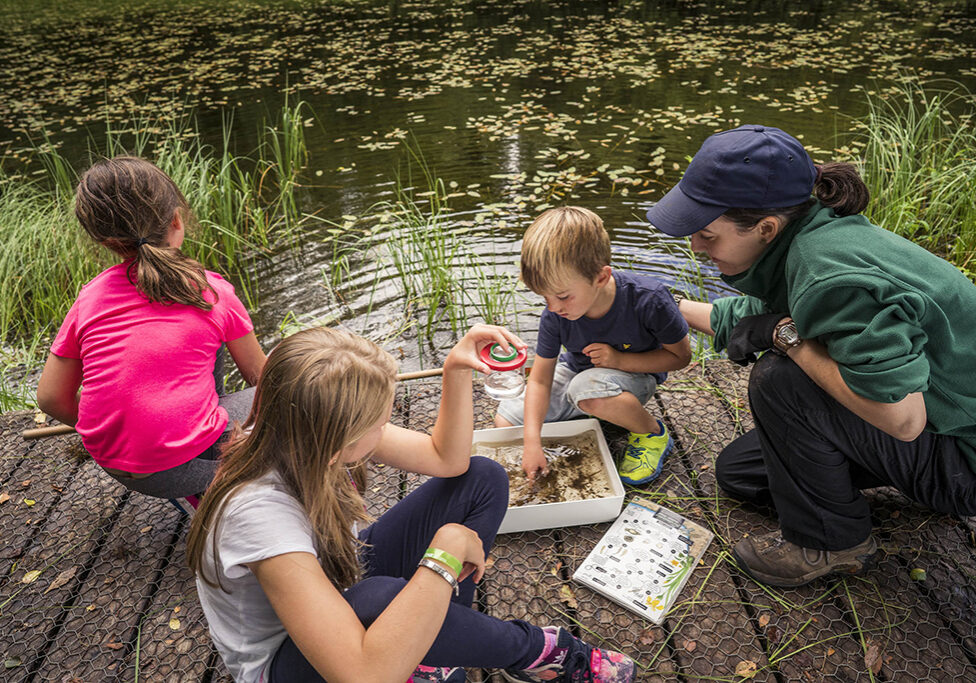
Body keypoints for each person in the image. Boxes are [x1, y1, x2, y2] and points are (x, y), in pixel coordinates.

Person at [185, 325, 636, 683]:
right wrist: (444, 552)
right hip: (296, 662)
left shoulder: (295, 429)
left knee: (483, 479)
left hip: (343, 584)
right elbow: (361, 674)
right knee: (380, 597)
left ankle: (431, 645)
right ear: (334, 445)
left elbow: (447, 459)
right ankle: (541, 652)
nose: (386, 431)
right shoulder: (259, 518)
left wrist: (455, 369)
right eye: (379, 424)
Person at [645, 124, 976, 588]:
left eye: (706, 234)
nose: (696, 247)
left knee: (779, 379)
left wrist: (787, 338)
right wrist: (659, 308)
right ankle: (837, 501)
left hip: (962, 458)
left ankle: (834, 543)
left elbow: (903, 420)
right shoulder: (806, 233)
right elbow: (761, 310)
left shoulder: (826, 273)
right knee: (741, 475)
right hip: (944, 426)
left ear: (765, 227)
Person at [36, 156, 266, 502]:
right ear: (176, 220)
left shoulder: (90, 297)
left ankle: (203, 468)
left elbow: (51, 398)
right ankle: (221, 477)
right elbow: (264, 381)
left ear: (106, 241)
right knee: (296, 392)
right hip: (183, 465)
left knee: (206, 348)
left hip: (118, 466)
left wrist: (110, 426)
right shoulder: (212, 291)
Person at [494, 206, 691, 486]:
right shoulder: (555, 313)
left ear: (600, 277)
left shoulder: (649, 299)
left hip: (636, 377)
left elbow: (680, 357)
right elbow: (539, 380)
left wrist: (620, 361)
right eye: (544, 297)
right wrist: (532, 442)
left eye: (562, 296)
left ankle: (651, 433)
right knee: (506, 420)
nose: (553, 307)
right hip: (580, 374)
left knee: (586, 391)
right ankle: (591, 413)